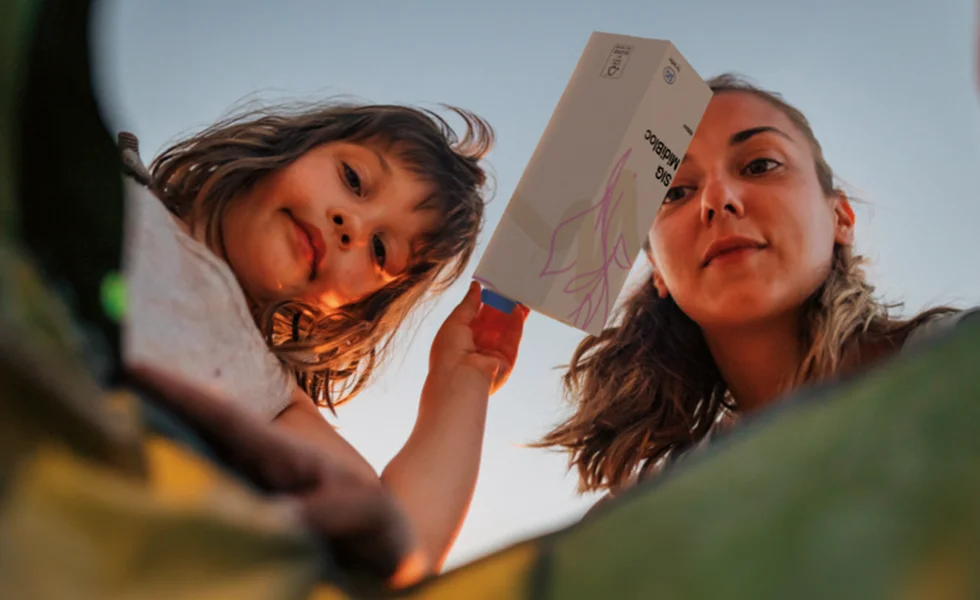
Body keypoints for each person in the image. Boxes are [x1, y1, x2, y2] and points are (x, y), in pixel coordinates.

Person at [121, 102, 528, 574]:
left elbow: (401, 542)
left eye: (380, 248)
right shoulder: (113, 187)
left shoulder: (271, 394)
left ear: (356, 307)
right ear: (292, 149)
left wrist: (463, 379)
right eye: (353, 180)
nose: (352, 225)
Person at [538, 73, 978, 499]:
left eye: (760, 164)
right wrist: (473, 375)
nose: (717, 199)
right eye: (674, 192)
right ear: (657, 270)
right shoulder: (654, 511)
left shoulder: (963, 364)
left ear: (840, 218)